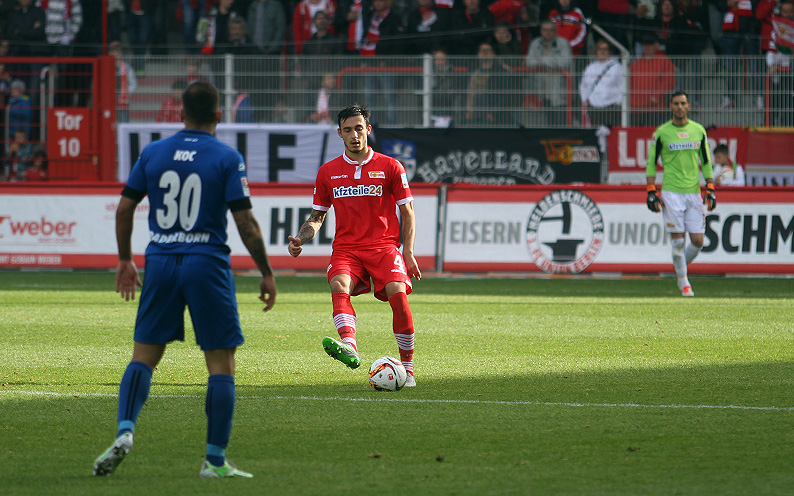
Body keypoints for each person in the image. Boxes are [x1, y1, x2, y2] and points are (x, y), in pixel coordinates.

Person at [92, 81, 277, 478]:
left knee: (144, 356)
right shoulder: (226, 157)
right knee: (221, 363)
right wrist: (266, 271)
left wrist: (124, 258)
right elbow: (245, 221)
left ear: (181, 114)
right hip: (206, 263)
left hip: (160, 260)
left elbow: (124, 208)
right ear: (218, 116)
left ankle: (125, 430)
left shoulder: (153, 152)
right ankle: (214, 460)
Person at [287, 104, 421, 386]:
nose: (354, 135)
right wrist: (301, 238)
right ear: (340, 133)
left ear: (368, 130)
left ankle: (408, 369)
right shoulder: (328, 172)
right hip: (347, 249)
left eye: (359, 128)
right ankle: (350, 345)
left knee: (398, 294)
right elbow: (317, 217)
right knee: (339, 284)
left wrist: (407, 252)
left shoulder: (390, 166)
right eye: (347, 130)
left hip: (384, 247)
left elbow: (407, 212)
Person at [646, 90, 715, 297]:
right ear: (670, 106)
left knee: (698, 241)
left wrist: (710, 187)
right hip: (671, 193)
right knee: (678, 242)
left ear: (689, 106)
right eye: (676, 103)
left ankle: (678, 268)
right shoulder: (661, 133)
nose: (680, 107)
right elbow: (651, 163)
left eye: (683, 103)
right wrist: (651, 191)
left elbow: (706, 161)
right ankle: (684, 283)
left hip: (693, 193)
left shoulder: (698, 131)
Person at [525, 20, 573, 126]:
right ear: (541, 31)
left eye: (551, 30)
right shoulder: (535, 43)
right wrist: (553, 63)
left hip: (559, 88)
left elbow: (566, 62)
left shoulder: (563, 43)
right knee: (547, 123)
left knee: (560, 122)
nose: (548, 32)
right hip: (542, 88)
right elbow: (529, 61)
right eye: (545, 30)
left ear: (555, 31)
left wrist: (543, 61)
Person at [629, 33, 676, 126]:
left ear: (656, 45)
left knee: (653, 131)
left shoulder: (664, 61)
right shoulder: (636, 63)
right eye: (644, 44)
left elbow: (669, 81)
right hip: (636, 107)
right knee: (636, 132)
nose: (647, 47)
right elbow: (630, 83)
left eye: (650, 44)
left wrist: (656, 96)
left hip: (655, 107)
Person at [465, 41, 513, 125]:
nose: (485, 53)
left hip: (495, 117)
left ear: (493, 54)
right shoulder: (473, 72)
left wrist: (494, 113)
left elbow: (506, 95)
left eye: (488, 50)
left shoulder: (501, 72)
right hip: (475, 115)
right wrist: (468, 111)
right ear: (478, 54)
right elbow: (469, 93)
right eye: (482, 50)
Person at [579, 39, 624, 127]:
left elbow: (623, 86)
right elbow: (583, 86)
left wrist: (618, 101)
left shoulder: (617, 67)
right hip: (594, 107)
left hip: (611, 107)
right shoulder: (590, 67)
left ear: (609, 51)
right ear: (596, 51)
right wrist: (585, 100)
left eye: (605, 49)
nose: (602, 52)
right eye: (600, 49)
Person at [110, 41, 137, 123]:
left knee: (123, 122)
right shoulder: (106, 67)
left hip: (122, 101)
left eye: (119, 51)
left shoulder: (127, 67)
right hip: (109, 99)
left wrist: (125, 93)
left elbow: (133, 83)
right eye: (115, 50)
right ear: (110, 53)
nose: (117, 53)